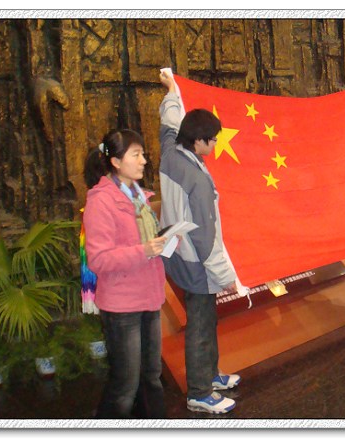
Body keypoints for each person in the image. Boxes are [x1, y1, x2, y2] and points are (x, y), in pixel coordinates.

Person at [158, 70, 241, 414]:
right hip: (196, 262)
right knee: (201, 323)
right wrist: (228, 277)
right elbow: (206, 239)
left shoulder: (170, 153)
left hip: (177, 254)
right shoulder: (199, 180)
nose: (216, 145)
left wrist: (171, 89)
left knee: (206, 319)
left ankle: (210, 374)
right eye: (213, 140)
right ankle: (200, 392)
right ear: (199, 142)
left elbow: (168, 123)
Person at [82, 129, 167, 418]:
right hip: (122, 307)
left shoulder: (139, 196)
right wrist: (144, 250)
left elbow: (148, 243)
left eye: (143, 154)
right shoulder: (101, 201)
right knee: (125, 385)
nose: (144, 160)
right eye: (136, 154)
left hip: (149, 298)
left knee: (151, 376)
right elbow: (99, 259)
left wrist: (167, 241)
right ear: (116, 162)